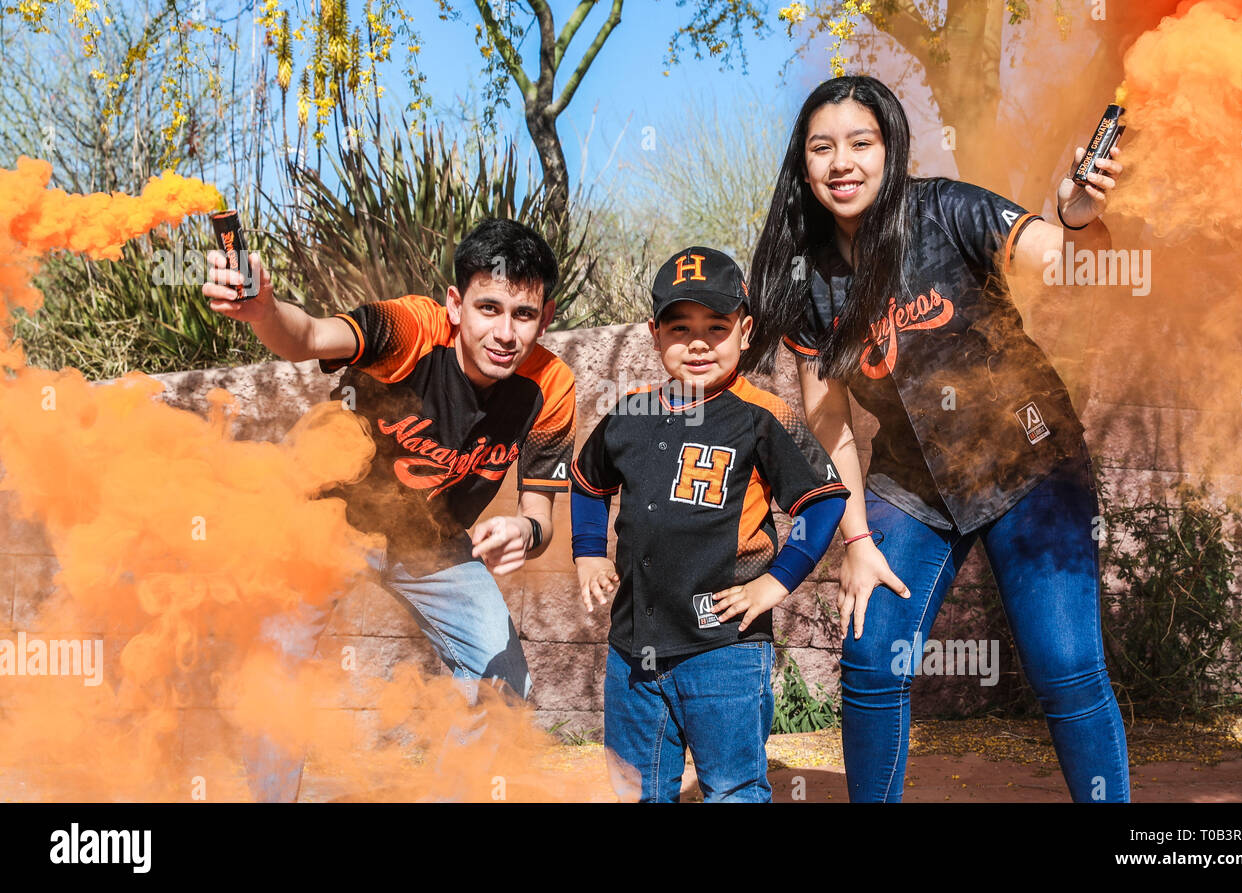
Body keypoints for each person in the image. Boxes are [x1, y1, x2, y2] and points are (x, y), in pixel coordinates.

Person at [742, 75, 1130, 803]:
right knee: (870, 659)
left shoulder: (949, 208)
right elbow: (829, 421)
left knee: (1067, 667)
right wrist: (856, 539)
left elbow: (1065, 265)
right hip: (911, 483)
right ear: (803, 164)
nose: (841, 162)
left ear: (891, 148)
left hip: (1030, 462)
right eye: (822, 148)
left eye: (861, 142)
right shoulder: (805, 277)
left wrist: (1076, 219)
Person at [203, 217, 575, 801]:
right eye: (489, 308)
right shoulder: (408, 329)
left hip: (431, 538)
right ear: (455, 305)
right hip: (326, 519)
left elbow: (542, 517)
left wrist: (526, 529)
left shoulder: (550, 387)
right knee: (278, 667)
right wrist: (263, 311)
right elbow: (307, 337)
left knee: (504, 683)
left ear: (544, 319)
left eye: (523, 315)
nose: (505, 332)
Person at [570, 246, 849, 802]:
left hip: (725, 647)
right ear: (655, 335)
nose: (698, 343)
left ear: (745, 332)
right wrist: (587, 552)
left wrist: (776, 583)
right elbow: (587, 481)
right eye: (680, 327)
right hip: (634, 648)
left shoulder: (764, 415)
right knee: (638, 789)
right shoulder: (629, 413)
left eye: (716, 326)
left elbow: (825, 499)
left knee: (732, 789)